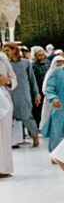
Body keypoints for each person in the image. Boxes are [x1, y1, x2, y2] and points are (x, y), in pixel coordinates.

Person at [5, 42, 40, 148]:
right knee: (9, 117)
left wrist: (36, 94)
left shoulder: (26, 63)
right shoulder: (4, 64)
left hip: (23, 94)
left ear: (14, 50)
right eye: (4, 50)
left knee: (26, 116)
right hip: (9, 93)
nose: (6, 53)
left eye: (8, 50)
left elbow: (32, 80)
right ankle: (11, 141)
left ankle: (35, 136)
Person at [0, 49, 17, 178]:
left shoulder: (3, 60)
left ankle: (3, 168)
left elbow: (13, 79)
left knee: (4, 136)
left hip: (3, 100)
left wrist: (6, 81)